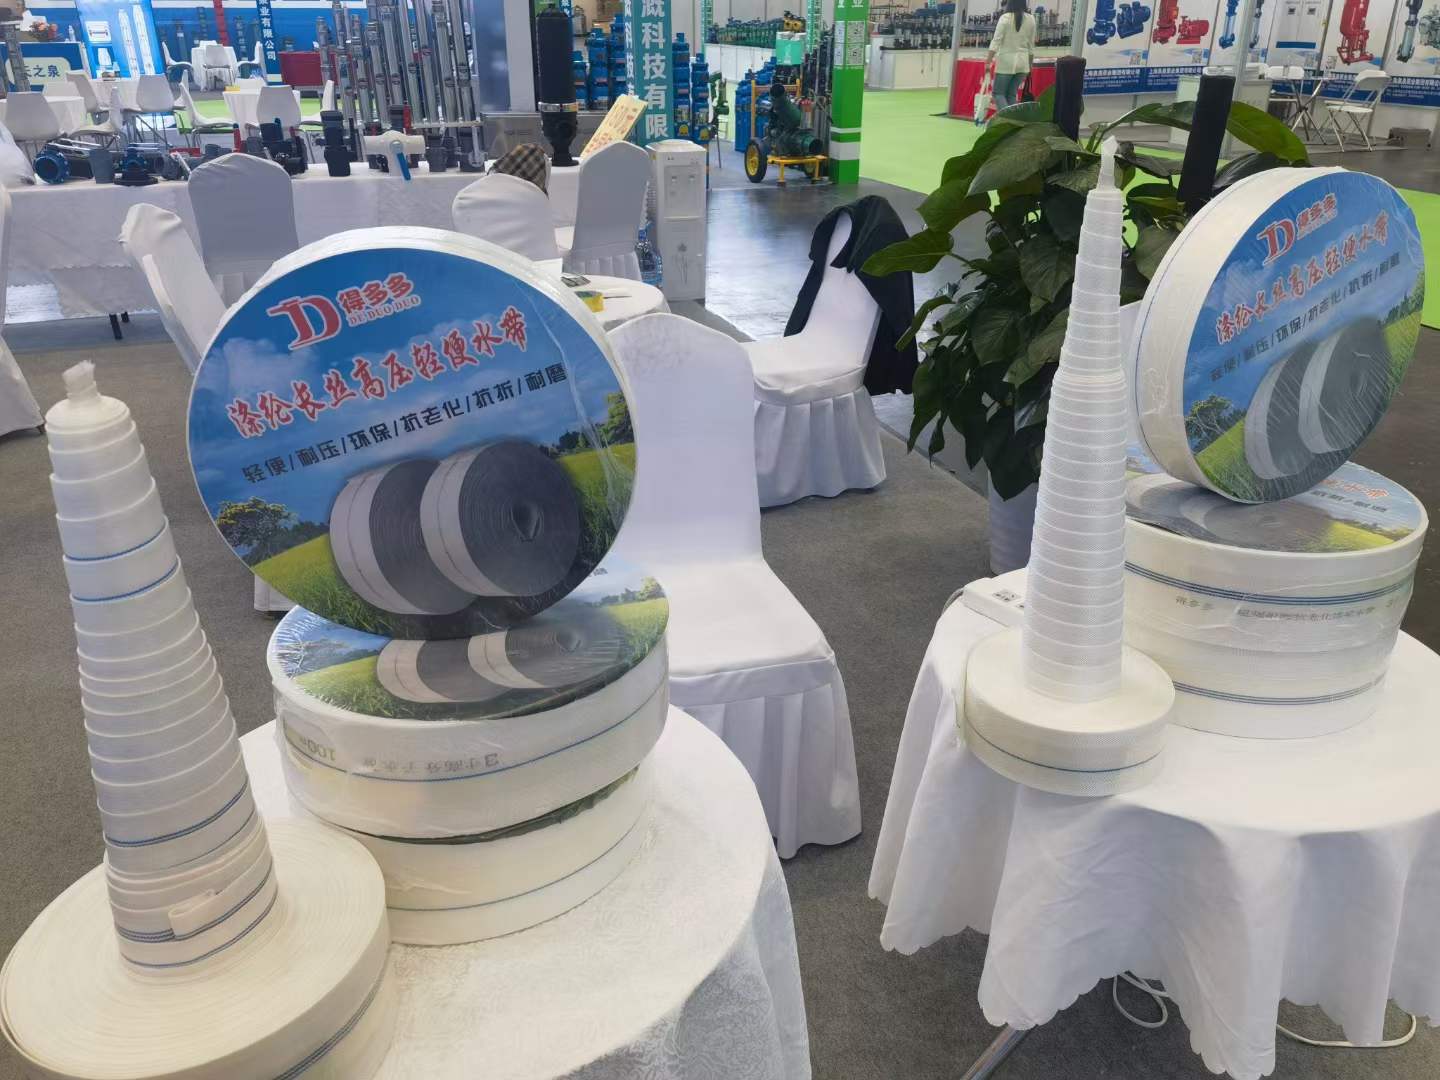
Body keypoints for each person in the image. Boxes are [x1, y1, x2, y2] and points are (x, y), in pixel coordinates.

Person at [985, 0, 1037, 113]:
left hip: (1006, 63)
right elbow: (1031, 46)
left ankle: (1008, 119)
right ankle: (1014, 121)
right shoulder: (1031, 19)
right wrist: (1030, 66)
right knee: (1011, 94)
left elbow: (996, 42)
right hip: (1023, 64)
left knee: (998, 94)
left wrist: (988, 62)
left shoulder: (1005, 18)